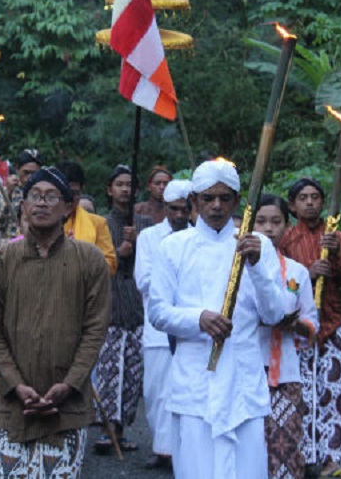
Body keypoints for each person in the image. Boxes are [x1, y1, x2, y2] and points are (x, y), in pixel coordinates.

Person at [147, 159, 285, 479]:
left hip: (243, 379)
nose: (216, 206)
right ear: (193, 201)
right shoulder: (174, 247)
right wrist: (199, 319)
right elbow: (157, 311)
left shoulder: (257, 245)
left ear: (237, 201)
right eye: (208, 198)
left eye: (225, 198)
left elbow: (275, 313)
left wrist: (256, 267)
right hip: (196, 380)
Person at [0, 166, 111, 478]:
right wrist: (15, 384)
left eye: (51, 196)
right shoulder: (1, 261)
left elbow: (95, 330)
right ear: (23, 206)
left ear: (68, 207)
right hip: (12, 404)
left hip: (67, 405)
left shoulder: (89, 260)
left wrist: (69, 384)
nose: (41, 203)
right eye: (34, 196)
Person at [280, 178, 341, 479]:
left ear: (323, 202)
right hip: (299, 327)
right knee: (301, 392)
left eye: (315, 197)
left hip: (331, 323)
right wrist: (309, 273)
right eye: (303, 197)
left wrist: (335, 260)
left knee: (332, 391)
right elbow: (283, 283)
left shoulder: (336, 238)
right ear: (293, 205)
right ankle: (301, 459)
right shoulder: (286, 240)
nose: (310, 202)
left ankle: (330, 461)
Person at [254, 193, 319, 479]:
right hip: (247, 370)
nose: (268, 229)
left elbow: (311, 323)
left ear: (286, 225)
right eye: (261, 222)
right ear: (249, 225)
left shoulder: (297, 272)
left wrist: (294, 325)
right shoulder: (236, 270)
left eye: (276, 221)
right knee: (251, 447)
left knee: (286, 446)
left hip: (286, 374)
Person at [93, 165, 153, 454]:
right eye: (120, 184)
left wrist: (139, 242)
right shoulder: (100, 224)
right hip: (111, 304)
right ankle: (106, 430)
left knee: (132, 374)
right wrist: (120, 251)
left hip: (137, 307)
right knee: (109, 372)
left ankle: (122, 429)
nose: (125, 189)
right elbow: (94, 266)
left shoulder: (145, 224)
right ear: (109, 189)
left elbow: (156, 262)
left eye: (130, 184)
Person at [135, 179, 193, 470]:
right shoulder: (149, 237)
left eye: (185, 209)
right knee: (157, 390)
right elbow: (143, 281)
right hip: (157, 325)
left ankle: (184, 450)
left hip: (192, 326)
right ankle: (162, 448)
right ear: (165, 208)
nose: (180, 215)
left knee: (187, 388)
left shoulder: (199, 238)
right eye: (174, 209)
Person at [56, 160, 118, 275]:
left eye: (74, 193)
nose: (69, 199)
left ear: (82, 190)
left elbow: (110, 265)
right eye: (65, 193)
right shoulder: (40, 221)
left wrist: (82, 256)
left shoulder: (97, 223)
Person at [0, 149, 42, 248]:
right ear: (17, 169)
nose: (30, 177)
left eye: (34, 173)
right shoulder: (5, 189)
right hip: (7, 247)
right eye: (26, 172)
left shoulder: (43, 193)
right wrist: (8, 193)